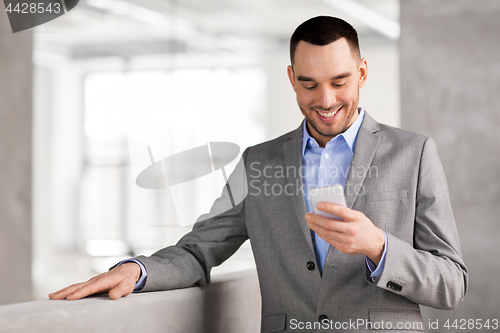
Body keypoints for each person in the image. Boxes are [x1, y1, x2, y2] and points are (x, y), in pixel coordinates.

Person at [50, 16, 468, 332]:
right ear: (291, 79)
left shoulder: (414, 153)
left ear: (361, 72)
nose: (325, 100)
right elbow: (199, 250)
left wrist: (379, 246)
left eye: (339, 81)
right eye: (309, 85)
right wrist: (137, 271)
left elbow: (450, 284)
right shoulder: (259, 162)